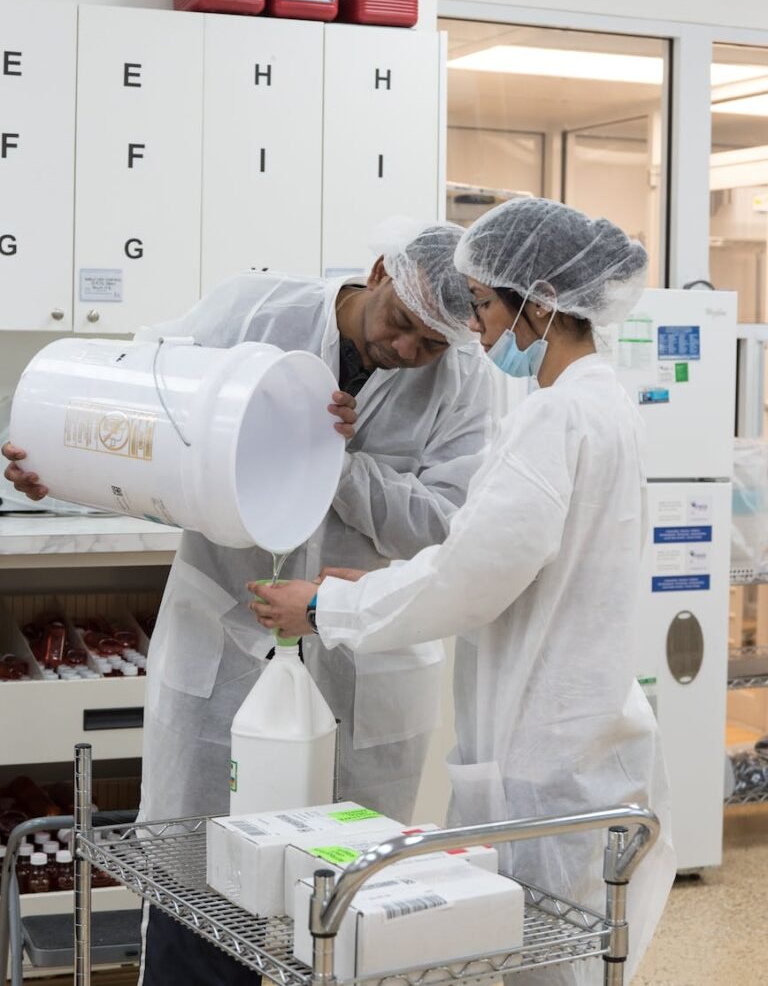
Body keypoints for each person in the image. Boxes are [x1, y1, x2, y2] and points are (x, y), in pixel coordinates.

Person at [4, 218, 494, 986]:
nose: (406, 351)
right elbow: (137, 418)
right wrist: (54, 470)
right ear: (378, 274)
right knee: (195, 884)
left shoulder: (464, 381)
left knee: (342, 900)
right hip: (225, 649)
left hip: (359, 667)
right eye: (400, 323)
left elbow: (444, 524)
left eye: (430, 344)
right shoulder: (250, 314)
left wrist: (333, 465)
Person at [250, 198, 677, 986]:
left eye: (482, 305)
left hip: (540, 757)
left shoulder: (554, 418)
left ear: (540, 304)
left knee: (536, 961)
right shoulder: (604, 405)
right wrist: (383, 581)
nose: (472, 329)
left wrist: (324, 607)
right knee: (570, 955)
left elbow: (471, 578)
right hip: (581, 735)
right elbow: (501, 562)